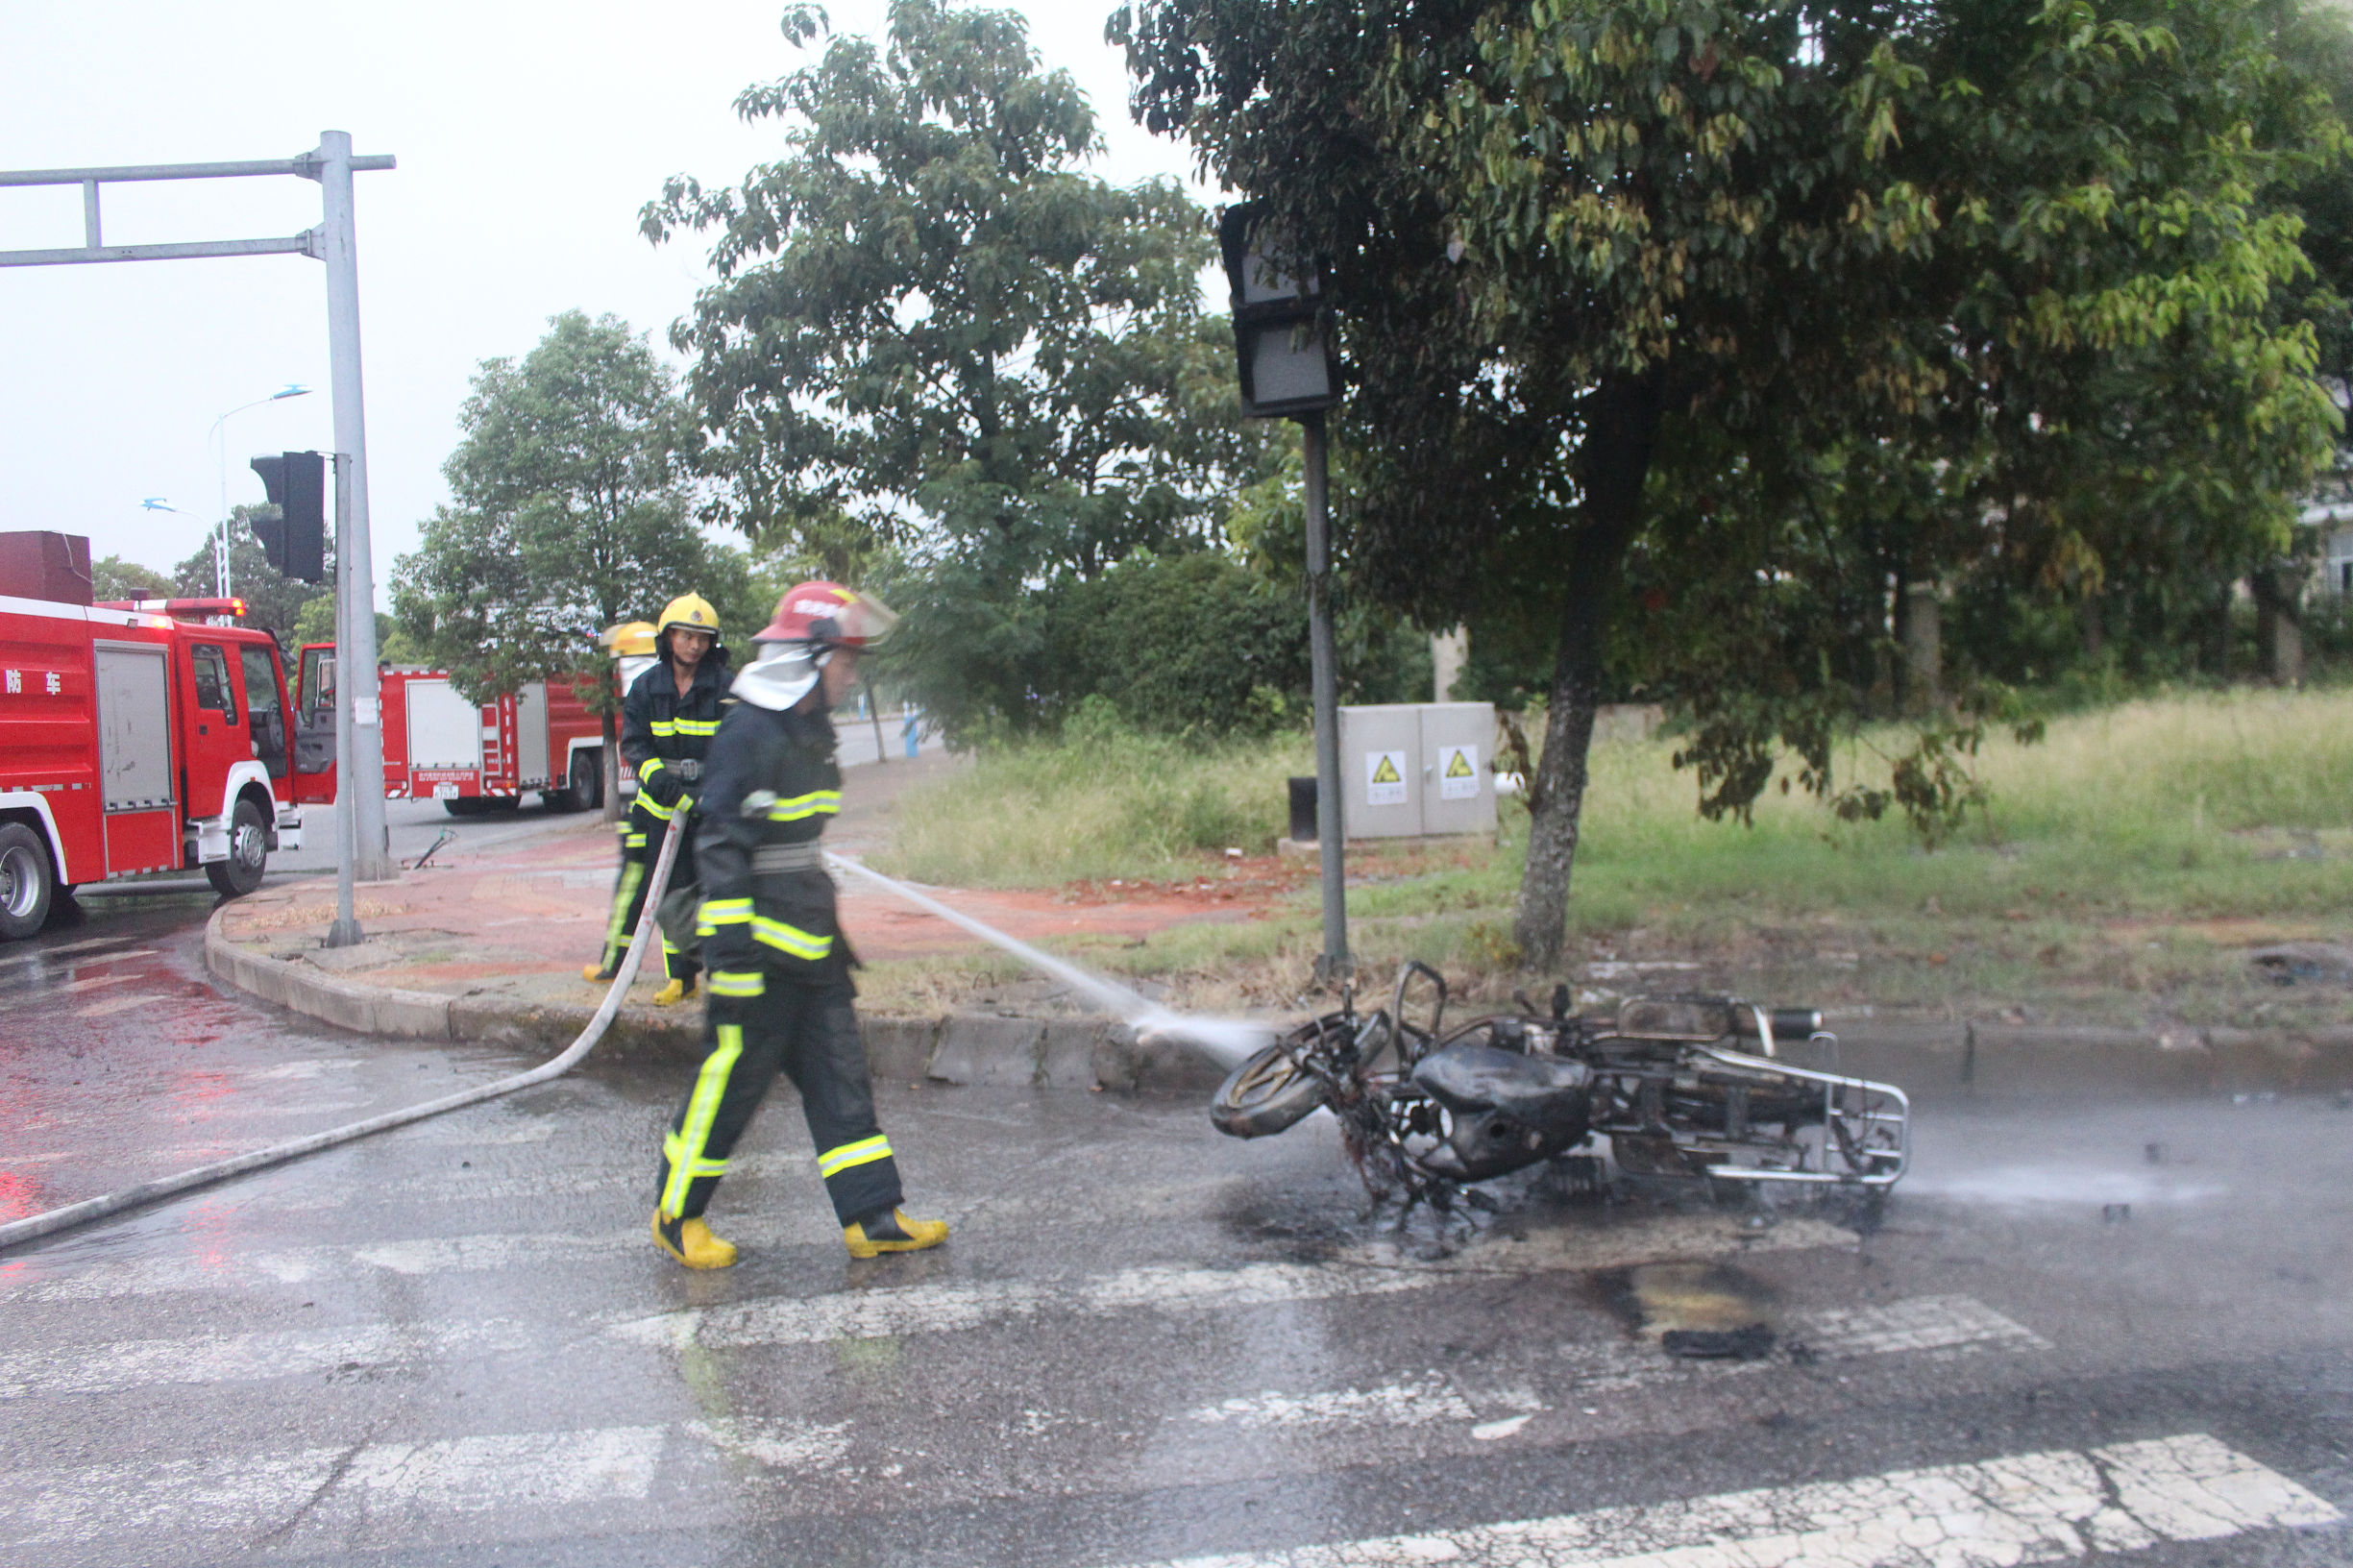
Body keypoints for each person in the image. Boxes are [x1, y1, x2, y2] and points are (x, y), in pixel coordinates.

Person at [651, 581, 947, 1269]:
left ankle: (873, 1216)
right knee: (730, 1086)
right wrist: (731, 960)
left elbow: (796, 839)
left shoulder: (808, 727)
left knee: (841, 1077)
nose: (852, 674)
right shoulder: (750, 731)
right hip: (758, 953)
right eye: (845, 660)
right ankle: (676, 1213)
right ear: (810, 659)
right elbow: (720, 849)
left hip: (812, 945)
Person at [584, 593, 728, 1004]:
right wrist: (666, 788)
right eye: (686, 636)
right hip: (659, 809)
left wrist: (708, 797)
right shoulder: (647, 687)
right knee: (667, 891)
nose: (695, 645)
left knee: (715, 892)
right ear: (669, 638)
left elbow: (735, 745)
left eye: (702, 638)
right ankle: (680, 978)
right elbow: (634, 745)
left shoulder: (724, 687)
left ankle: (722, 971)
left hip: (709, 809)